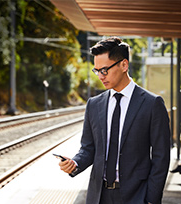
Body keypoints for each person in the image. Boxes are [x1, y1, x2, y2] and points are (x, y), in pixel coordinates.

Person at [58, 37, 171, 204]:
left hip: (136, 196)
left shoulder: (152, 104)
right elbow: (88, 149)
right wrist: (75, 163)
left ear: (124, 65)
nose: (100, 76)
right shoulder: (94, 105)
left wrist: (151, 198)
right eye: (96, 71)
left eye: (105, 70)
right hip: (98, 196)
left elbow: (161, 157)